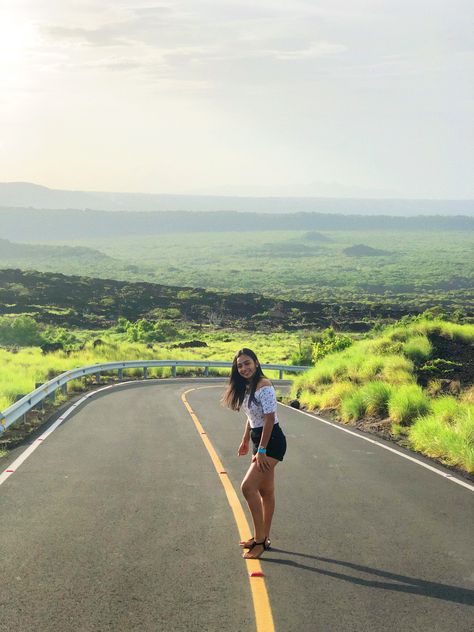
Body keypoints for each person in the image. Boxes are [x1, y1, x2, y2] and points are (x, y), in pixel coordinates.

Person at [222, 348, 287, 559]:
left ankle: (259, 541)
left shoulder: (264, 386)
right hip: (260, 440)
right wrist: (244, 440)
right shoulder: (248, 387)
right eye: (240, 365)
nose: (244, 368)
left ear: (257, 363)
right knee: (265, 492)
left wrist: (261, 450)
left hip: (272, 442)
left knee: (248, 487)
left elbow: (269, 419)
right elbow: (252, 417)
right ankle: (264, 537)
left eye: (247, 363)